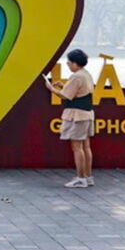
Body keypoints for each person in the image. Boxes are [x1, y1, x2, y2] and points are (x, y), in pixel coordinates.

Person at [45, 48, 95, 188]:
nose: (67, 64)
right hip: (87, 114)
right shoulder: (86, 74)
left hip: (77, 115)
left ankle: (80, 178)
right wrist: (63, 85)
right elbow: (79, 91)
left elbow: (64, 95)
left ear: (74, 63)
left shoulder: (76, 76)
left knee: (77, 147)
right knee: (86, 146)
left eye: (69, 62)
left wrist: (51, 88)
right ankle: (88, 176)